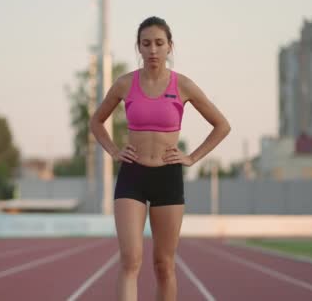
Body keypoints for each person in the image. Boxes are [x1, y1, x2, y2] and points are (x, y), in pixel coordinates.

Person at [90, 16, 231, 301]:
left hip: (168, 177)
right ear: (138, 48)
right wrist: (115, 151)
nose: (152, 50)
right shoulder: (124, 83)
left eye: (158, 43)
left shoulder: (184, 86)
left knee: (164, 265)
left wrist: (192, 157)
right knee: (130, 260)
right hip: (132, 176)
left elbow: (222, 125)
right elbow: (96, 122)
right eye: (146, 44)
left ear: (170, 47)